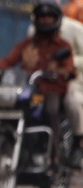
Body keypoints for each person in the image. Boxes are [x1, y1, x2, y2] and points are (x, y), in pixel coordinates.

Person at [0, 1, 75, 166]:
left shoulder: (63, 46)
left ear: (56, 19)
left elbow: (70, 68)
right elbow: (9, 60)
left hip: (52, 90)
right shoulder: (26, 45)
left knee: (50, 110)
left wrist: (59, 72)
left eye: (49, 17)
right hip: (29, 90)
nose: (45, 20)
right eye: (42, 17)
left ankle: (55, 155)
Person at [29, 5, 83, 163]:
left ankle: (78, 142)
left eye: (49, 16)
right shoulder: (33, 31)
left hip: (72, 78)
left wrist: (66, 64)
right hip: (43, 78)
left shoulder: (74, 29)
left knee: (72, 101)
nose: (45, 19)